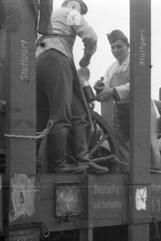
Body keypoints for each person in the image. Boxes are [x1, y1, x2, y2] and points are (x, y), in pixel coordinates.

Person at [36, 0, 108, 174]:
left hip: (38, 61)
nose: (80, 13)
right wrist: (86, 58)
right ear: (70, 4)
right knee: (61, 114)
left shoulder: (46, 16)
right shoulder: (71, 12)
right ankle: (58, 164)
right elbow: (90, 37)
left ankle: (83, 160)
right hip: (57, 57)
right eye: (80, 8)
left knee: (78, 112)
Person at [95, 30, 161, 168]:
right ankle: (128, 171)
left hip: (141, 109)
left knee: (144, 143)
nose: (116, 50)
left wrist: (113, 91)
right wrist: (99, 88)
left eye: (119, 46)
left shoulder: (137, 62)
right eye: (112, 47)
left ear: (128, 45)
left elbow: (138, 85)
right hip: (122, 111)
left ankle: (151, 172)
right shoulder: (110, 69)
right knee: (122, 142)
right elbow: (106, 89)